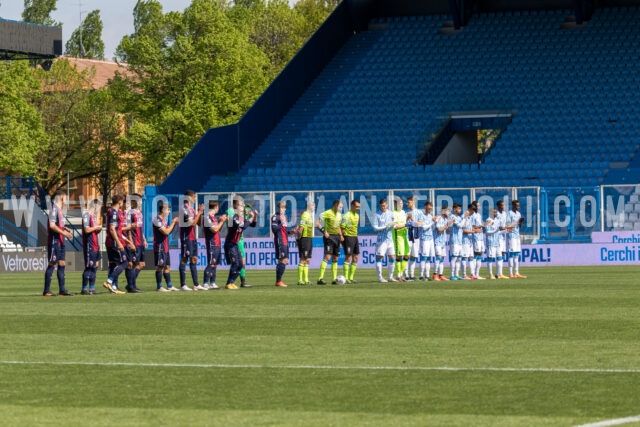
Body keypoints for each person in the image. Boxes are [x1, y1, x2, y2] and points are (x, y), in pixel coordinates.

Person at [43, 190, 74, 296]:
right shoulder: (54, 209)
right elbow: (52, 225)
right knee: (52, 263)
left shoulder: (59, 210)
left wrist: (64, 228)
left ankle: (62, 290)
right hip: (54, 241)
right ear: (61, 197)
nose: (66, 199)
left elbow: (57, 224)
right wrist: (64, 234)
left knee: (62, 263)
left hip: (60, 241)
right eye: (66, 197)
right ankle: (46, 290)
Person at [102, 195, 131, 295]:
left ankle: (113, 287)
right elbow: (112, 229)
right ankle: (109, 281)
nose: (122, 203)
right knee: (124, 262)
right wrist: (119, 242)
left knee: (113, 264)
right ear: (119, 201)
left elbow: (117, 230)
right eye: (122, 201)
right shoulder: (114, 212)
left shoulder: (112, 212)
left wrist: (126, 240)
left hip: (111, 241)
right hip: (114, 242)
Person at [225, 204, 258, 289]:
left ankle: (231, 282)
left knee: (240, 264)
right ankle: (229, 283)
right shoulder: (234, 219)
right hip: (230, 243)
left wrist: (255, 217)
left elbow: (253, 225)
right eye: (240, 210)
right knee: (235, 263)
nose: (242, 212)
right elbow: (243, 226)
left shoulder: (241, 219)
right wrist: (250, 218)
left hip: (235, 244)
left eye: (242, 211)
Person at [179, 190, 205, 291]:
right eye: (194, 197)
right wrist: (199, 212)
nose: (195, 199)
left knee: (194, 259)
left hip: (193, 238)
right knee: (184, 259)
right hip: (186, 238)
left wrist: (200, 213)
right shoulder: (183, 209)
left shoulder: (192, 210)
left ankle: (196, 284)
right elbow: (192, 224)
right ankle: (183, 285)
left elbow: (198, 223)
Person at [152, 201, 180, 292]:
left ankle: (169, 285)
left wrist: (174, 224)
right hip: (160, 247)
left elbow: (168, 231)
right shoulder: (157, 220)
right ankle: (159, 287)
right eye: (168, 210)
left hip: (166, 246)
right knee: (160, 266)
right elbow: (166, 232)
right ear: (163, 210)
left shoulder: (164, 220)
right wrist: (173, 223)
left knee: (167, 266)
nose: (169, 212)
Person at [316, 199, 343, 285]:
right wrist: (324, 232)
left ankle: (334, 279)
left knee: (335, 258)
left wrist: (341, 235)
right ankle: (320, 279)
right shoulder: (327, 213)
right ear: (336, 205)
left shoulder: (339, 215)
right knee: (327, 257)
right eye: (340, 207)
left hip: (337, 237)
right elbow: (318, 223)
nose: (341, 208)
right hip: (329, 237)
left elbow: (338, 226)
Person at [201, 200, 226, 290]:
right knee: (211, 263)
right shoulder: (207, 217)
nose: (218, 208)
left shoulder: (214, 218)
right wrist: (222, 222)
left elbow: (218, 229)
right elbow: (214, 229)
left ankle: (212, 283)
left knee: (214, 264)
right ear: (215, 207)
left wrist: (221, 221)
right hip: (212, 243)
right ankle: (205, 283)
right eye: (218, 207)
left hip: (217, 243)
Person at [125, 194, 147, 293]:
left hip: (141, 242)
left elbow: (140, 228)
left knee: (141, 264)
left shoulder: (140, 213)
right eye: (138, 200)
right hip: (135, 242)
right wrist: (131, 242)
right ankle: (131, 286)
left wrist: (144, 239)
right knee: (133, 264)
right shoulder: (131, 213)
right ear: (134, 201)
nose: (140, 202)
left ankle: (131, 283)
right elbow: (129, 229)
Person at [272, 201, 297, 287]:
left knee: (282, 260)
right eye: (279, 207)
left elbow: (283, 231)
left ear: (285, 208)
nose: (281, 209)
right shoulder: (275, 217)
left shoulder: (284, 217)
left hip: (285, 241)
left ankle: (278, 281)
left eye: (283, 207)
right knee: (284, 259)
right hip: (280, 241)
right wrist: (281, 223)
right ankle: (278, 281)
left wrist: (290, 232)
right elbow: (274, 229)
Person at [80, 198, 102, 295]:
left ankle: (92, 288)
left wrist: (98, 229)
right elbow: (87, 230)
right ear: (95, 206)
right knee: (89, 266)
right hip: (89, 245)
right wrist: (96, 227)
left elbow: (94, 231)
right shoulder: (86, 215)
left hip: (96, 245)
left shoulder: (93, 217)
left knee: (95, 266)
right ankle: (84, 289)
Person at [373, 198, 396, 283]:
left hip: (390, 239)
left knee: (392, 257)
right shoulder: (377, 215)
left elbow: (394, 223)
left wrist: (393, 225)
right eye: (382, 206)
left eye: (384, 205)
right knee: (379, 257)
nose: (383, 207)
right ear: (380, 206)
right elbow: (375, 228)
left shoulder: (390, 213)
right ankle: (380, 278)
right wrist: (385, 227)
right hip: (381, 240)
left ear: (386, 205)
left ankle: (390, 277)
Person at [341, 199, 360, 284]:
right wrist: (341, 237)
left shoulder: (357, 215)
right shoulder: (346, 216)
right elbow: (341, 227)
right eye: (356, 206)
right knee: (348, 257)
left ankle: (351, 278)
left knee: (355, 258)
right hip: (348, 237)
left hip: (355, 237)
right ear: (352, 206)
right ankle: (345, 278)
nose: (358, 208)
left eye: (359, 207)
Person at [296, 199, 315, 286]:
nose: (314, 207)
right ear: (310, 206)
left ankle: (306, 280)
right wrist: (298, 239)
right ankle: (300, 280)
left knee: (307, 259)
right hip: (304, 239)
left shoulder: (310, 216)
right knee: (303, 259)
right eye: (313, 205)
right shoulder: (304, 215)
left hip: (309, 238)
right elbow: (301, 229)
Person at [507, 200, 527, 278]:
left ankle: (516, 273)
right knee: (511, 254)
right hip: (511, 235)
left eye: (518, 206)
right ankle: (510, 273)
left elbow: (519, 226)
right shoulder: (509, 213)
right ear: (513, 206)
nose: (518, 207)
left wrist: (521, 222)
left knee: (516, 255)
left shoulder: (518, 214)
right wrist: (517, 222)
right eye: (516, 206)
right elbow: (508, 225)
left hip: (517, 235)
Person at [405, 196, 424, 281]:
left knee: (413, 256)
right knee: (407, 256)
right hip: (407, 236)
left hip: (416, 237)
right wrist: (407, 219)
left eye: (408, 202)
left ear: (413, 202)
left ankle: (411, 275)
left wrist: (412, 219)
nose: (407, 204)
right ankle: (405, 275)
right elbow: (403, 224)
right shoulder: (405, 213)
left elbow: (420, 224)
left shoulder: (419, 212)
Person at [392, 198, 409, 282]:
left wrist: (409, 221)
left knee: (407, 255)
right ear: (396, 204)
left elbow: (405, 223)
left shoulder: (403, 213)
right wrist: (406, 224)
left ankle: (400, 274)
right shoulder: (393, 214)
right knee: (399, 256)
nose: (401, 205)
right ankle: (399, 275)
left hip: (405, 236)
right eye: (400, 203)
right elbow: (395, 227)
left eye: (402, 203)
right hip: (398, 237)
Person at [419, 201, 435, 281]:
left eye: (431, 207)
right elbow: (424, 227)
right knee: (424, 257)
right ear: (425, 207)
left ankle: (427, 275)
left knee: (429, 258)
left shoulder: (430, 216)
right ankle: (421, 275)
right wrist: (432, 222)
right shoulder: (421, 216)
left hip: (430, 238)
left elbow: (431, 228)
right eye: (429, 207)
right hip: (424, 238)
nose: (430, 209)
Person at [433, 206, 451, 281]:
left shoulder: (446, 219)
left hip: (443, 242)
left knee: (442, 259)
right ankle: (434, 274)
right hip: (437, 241)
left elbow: (446, 231)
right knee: (438, 258)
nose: (449, 213)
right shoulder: (439, 219)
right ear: (444, 211)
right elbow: (439, 230)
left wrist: (448, 226)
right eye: (448, 211)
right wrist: (447, 225)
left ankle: (441, 275)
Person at [470, 202, 486, 280]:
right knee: (476, 254)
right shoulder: (472, 216)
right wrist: (479, 227)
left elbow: (480, 225)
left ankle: (477, 274)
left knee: (480, 254)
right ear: (474, 206)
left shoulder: (479, 215)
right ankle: (473, 274)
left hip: (481, 237)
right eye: (478, 205)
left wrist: (484, 224)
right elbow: (472, 227)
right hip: (476, 237)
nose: (479, 206)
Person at [448, 203, 464, 280]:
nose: (460, 210)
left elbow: (463, 226)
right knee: (454, 258)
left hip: (460, 240)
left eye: (460, 209)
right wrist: (465, 218)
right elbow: (460, 226)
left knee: (459, 258)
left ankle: (457, 274)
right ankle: (452, 275)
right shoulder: (452, 217)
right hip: (454, 240)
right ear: (454, 209)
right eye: (458, 209)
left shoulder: (460, 218)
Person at [495, 200, 510, 279]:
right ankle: (498, 273)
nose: (503, 207)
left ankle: (499, 273)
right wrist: (503, 228)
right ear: (498, 206)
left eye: (504, 205)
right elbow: (497, 226)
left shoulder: (504, 214)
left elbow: (506, 223)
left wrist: (508, 227)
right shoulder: (496, 214)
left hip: (504, 236)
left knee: (503, 254)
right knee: (499, 254)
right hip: (498, 236)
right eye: (502, 205)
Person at [485, 208, 501, 279]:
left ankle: (498, 274)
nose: (496, 214)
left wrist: (506, 231)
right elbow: (487, 232)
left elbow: (497, 231)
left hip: (497, 242)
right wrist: (496, 230)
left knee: (500, 257)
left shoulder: (497, 220)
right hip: (491, 242)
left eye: (496, 212)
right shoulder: (488, 220)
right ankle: (490, 274)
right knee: (490, 258)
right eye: (494, 212)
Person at [461, 204, 475, 280]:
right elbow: (463, 230)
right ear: (470, 209)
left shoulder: (470, 218)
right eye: (473, 210)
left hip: (469, 240)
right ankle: (464, 274)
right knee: (464, 257)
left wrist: (476, 229)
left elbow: (470, 228)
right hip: (464, 241)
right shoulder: (464, 217)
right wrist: (472, 232)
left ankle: (472, 274)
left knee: (471, 257)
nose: (474, 212)